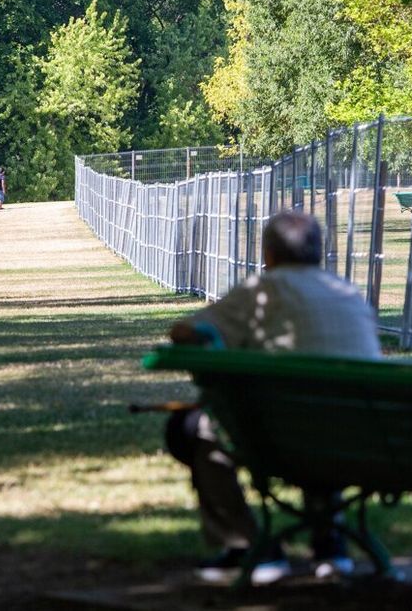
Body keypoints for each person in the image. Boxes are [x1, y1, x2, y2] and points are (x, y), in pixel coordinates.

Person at [166, 211, 380, 584]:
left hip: (278, 440)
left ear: (268, 252)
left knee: (189, 429)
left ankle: (247, 545)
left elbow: (184, 331)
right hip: (359, 441)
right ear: (319, 251)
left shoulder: (260, 292)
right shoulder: (348, 294)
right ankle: (330, 542)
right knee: (325, 421)